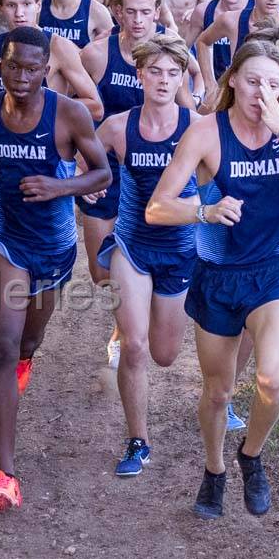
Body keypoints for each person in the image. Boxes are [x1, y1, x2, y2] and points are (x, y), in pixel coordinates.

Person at [146, 38, 279, 520]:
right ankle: (214, 471)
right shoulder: (207, 132)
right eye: (252, 81)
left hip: (273, 269)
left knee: (272, 377)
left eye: (273, 85)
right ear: (233, 80)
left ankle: (250, 456)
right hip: (220, 276)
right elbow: (157, 207)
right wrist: (204, 210)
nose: (261, 93)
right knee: (219, 391)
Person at [0, 26, 112, 512]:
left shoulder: (70, 114)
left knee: (27, 342)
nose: (21, 76)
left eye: (32, 67)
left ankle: (25, 360)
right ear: (0, 65)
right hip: (5, 239)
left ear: (48, 70)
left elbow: (102, 172)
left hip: (56, 246)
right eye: (13, 65)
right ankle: (5, 474)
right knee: (1, 346)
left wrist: (60, 187)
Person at [93, 34, 201, 476]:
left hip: (179, 251)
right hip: (131, 245)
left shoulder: (196, 125)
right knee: (135, 347)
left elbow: (220, 172)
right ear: (139, 74)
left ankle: (132, 331)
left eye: (172, 72)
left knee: (164, 354)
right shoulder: (119, 126)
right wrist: (94, 182)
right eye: (154, 70)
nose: (162, 79)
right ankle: (137, 440)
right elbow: (87, 163)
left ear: (181, 78)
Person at [80, 0, 201, 367]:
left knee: (163, 352)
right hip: (113, 164)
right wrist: (84, 183)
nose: (136, 19)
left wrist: (198, 100)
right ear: (116, 11)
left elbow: (187, 93)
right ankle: (130, 319)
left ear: (156, 13)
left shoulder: (171, 53)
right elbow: (72, 97)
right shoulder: (98, 53)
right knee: (101, 275)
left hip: (160, 170)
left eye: (144, 12)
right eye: (128, 11)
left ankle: (133, 315)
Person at [184, 0, 252, 82]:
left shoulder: (256, 11)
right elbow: (182, 50)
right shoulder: (203, 11)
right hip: (212, 86)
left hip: (246, 85)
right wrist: (199, 77)